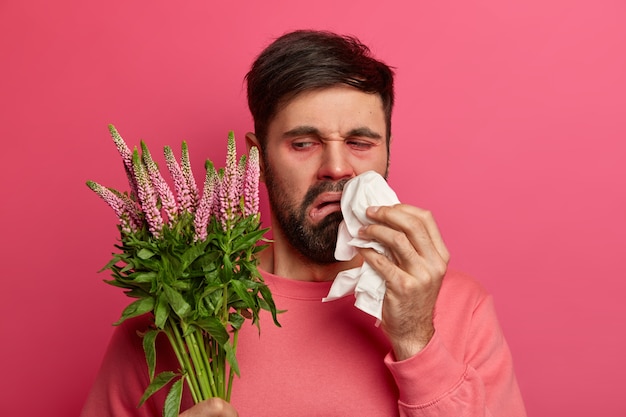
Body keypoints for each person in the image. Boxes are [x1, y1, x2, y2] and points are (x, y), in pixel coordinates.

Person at [81, 30, 526, 417]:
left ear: (387, 152)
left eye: (359, 142)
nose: (337, 168)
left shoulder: (461, 306)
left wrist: (414, 337)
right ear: (257, 156)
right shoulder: (181, 307)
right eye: (303, 143)